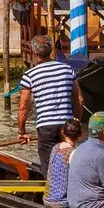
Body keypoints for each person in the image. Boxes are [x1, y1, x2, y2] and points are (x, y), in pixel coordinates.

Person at [14, 36, 77, 173]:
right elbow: (79, 100)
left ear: (34, 53)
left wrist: (22, 132)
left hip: (46, 128)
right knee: (68, 164)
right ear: (50, 51)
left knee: (50, 169)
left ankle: (52, 193)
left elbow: (23, 107)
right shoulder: (68, 70)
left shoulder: (29, 75)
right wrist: (75, 123)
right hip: (67, 125)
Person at [44, 118, 85, 208]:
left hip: (47, 199)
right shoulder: (74, 153)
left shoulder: (55, 147)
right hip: (61, 203)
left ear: (63, 132)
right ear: (80, 134)